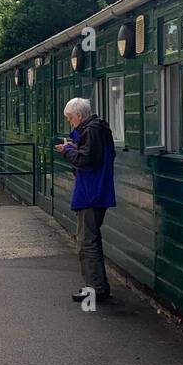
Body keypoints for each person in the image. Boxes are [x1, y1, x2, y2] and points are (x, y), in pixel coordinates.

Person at [54, 96, 116, 305]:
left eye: (70, 118)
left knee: (86, 242)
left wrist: (67, 150)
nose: (70, 122)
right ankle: (98, 286)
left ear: (79, 116)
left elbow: (85, 160)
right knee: (91, 240)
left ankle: (95, 289)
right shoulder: (101, 129)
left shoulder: (90, 132)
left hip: (91, 193)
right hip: (100, 191)